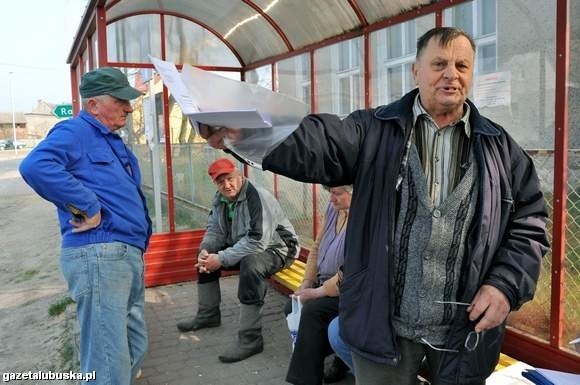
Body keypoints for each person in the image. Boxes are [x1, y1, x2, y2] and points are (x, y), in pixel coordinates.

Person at [198, 26, 550, 385]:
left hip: (464, 334)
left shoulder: (499, 149)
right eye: (439, 64)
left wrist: (505, 284)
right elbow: (317, 143)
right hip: (383, 326)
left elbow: (530, 222)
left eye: (462, 65)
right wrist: (246, 130)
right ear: (416, 71)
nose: (451, 74)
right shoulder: (374, 131)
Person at [19, 67, 152, 385]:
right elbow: (35, 166)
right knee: (108, 360)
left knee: (133, 348)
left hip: (124, 255)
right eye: (121, 101)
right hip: (100, 253)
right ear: (93, 105)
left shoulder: (109, 139)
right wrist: (88, 207)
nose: (129, 108)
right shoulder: (76, 131)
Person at [177, 157, 299, 363]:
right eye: (220, 181)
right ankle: (208, 315)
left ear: (240, 175)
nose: (227, 185)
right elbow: (214, 230)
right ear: (215, 183)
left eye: (230, 179)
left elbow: (258, 241)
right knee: (205, 256)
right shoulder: (220, 199)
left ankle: (251, 339)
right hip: (248, 245)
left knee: (251, 264)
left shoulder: (257, 196)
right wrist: (207, 251)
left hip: (279, 248)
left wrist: (222, 258)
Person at [285, 185, 352, 385]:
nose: (331, 198)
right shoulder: (334, 209)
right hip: (324, 284)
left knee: (313, 312)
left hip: (347, 290)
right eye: (329, 192)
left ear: (354, 192)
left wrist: (316, 293)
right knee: (292, 306)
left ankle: (306, 379)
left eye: (337, 193)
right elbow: (316, 247)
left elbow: (350, 272)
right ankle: (336, 357)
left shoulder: (362, 217)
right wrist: (306, 284)